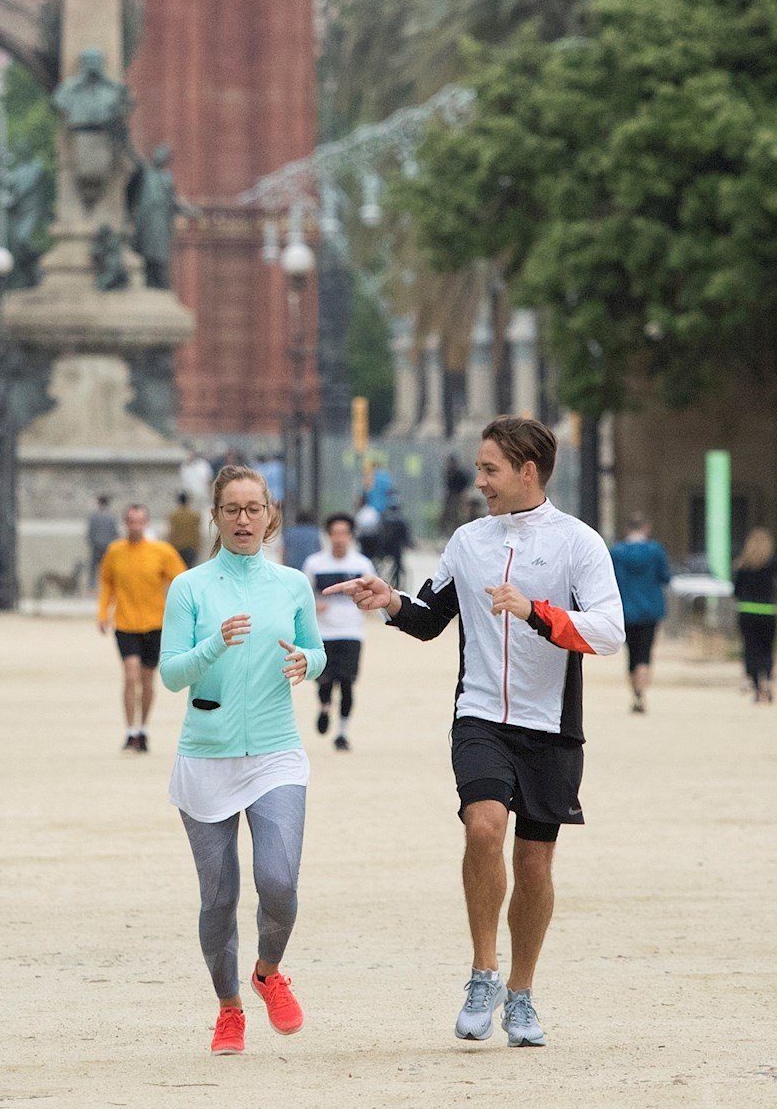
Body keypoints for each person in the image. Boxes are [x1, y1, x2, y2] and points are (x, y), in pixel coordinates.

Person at [324, 416, 623, 1049]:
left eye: (490, 470)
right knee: (484, 825)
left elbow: (609, 631)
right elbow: (432, 617)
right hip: (480, 714)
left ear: (527, 472)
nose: (480, 481)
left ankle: (521, 993)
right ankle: (483, 973)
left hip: (551, 725)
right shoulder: (467, 541)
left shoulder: (578, 544)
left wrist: (538, 613)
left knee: (535, 862)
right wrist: (390, 599)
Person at [159, 465, 325, 1055]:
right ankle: (229, 1008)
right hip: (207, 756)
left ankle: (267, 971)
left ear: (270, 515)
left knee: (278, 881)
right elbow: (171, 672)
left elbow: (316, 647)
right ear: (216, 516)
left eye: (254, 508)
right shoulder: (191, 588)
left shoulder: (290, 584)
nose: (244, 519)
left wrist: (309, 662)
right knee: (220, 896)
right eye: (232, 509)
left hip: (276, 752)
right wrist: (212, 644)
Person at [97, 504, 188, 753]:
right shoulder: (115, 551)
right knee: (130, 675)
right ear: (125, 523)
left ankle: (143, 728)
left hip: (155, 625)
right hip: (125, 624)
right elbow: (106, 582)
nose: (135, 526)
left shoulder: (161, 551)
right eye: (131, 521)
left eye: (140, 521)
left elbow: (182, 581)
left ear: (146, 523)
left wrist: (183, 613)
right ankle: (129, 731)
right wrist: (103, 612)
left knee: (148, 681)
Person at [302, 512, 376, 750]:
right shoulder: (314, 564)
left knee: (347, 683)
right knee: (324, 682)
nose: (339, 538)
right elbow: (303, 596)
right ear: (328, 535)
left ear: (351, 536)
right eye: (335, 533)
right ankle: (324, 708)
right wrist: (315, 604)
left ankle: (342, 733)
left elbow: (375, 593)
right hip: (323, 633)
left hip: (351, 632)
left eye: (344, 533)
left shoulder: (362, 565)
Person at [608, 513, 673, 714]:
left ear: (628, 528)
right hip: (650, 609)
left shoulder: (617, 552)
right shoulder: (655, 551)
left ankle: (634, 693)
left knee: (631, 654)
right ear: (646, 527)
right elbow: (665, 577)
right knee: (645, 653)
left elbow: (611, 579)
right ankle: (641, 693)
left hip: (626, 609)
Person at [733, 528, 777, 704]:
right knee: (767, 649)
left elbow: (736, 590)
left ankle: (754, 683)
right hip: (768, 611)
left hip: (747, 611)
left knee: (750, 648)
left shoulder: (743, 565)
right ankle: (767, 680)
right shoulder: (773, 564)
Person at [84, 494, 118, 593]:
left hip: (96, 545)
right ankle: (110, 587)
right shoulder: (112, 517)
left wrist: (91, 542)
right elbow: (115, 532)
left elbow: (90, 531)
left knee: (93, 568)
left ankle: (92, 587)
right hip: (108, 546)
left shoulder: (93, 516)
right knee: (109, 568)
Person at [166, 490, 205, 565]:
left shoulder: (173, 516)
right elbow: (198, 532)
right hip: (191, 547)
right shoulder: (195, 515)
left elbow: (171, 533)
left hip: (177, 547)